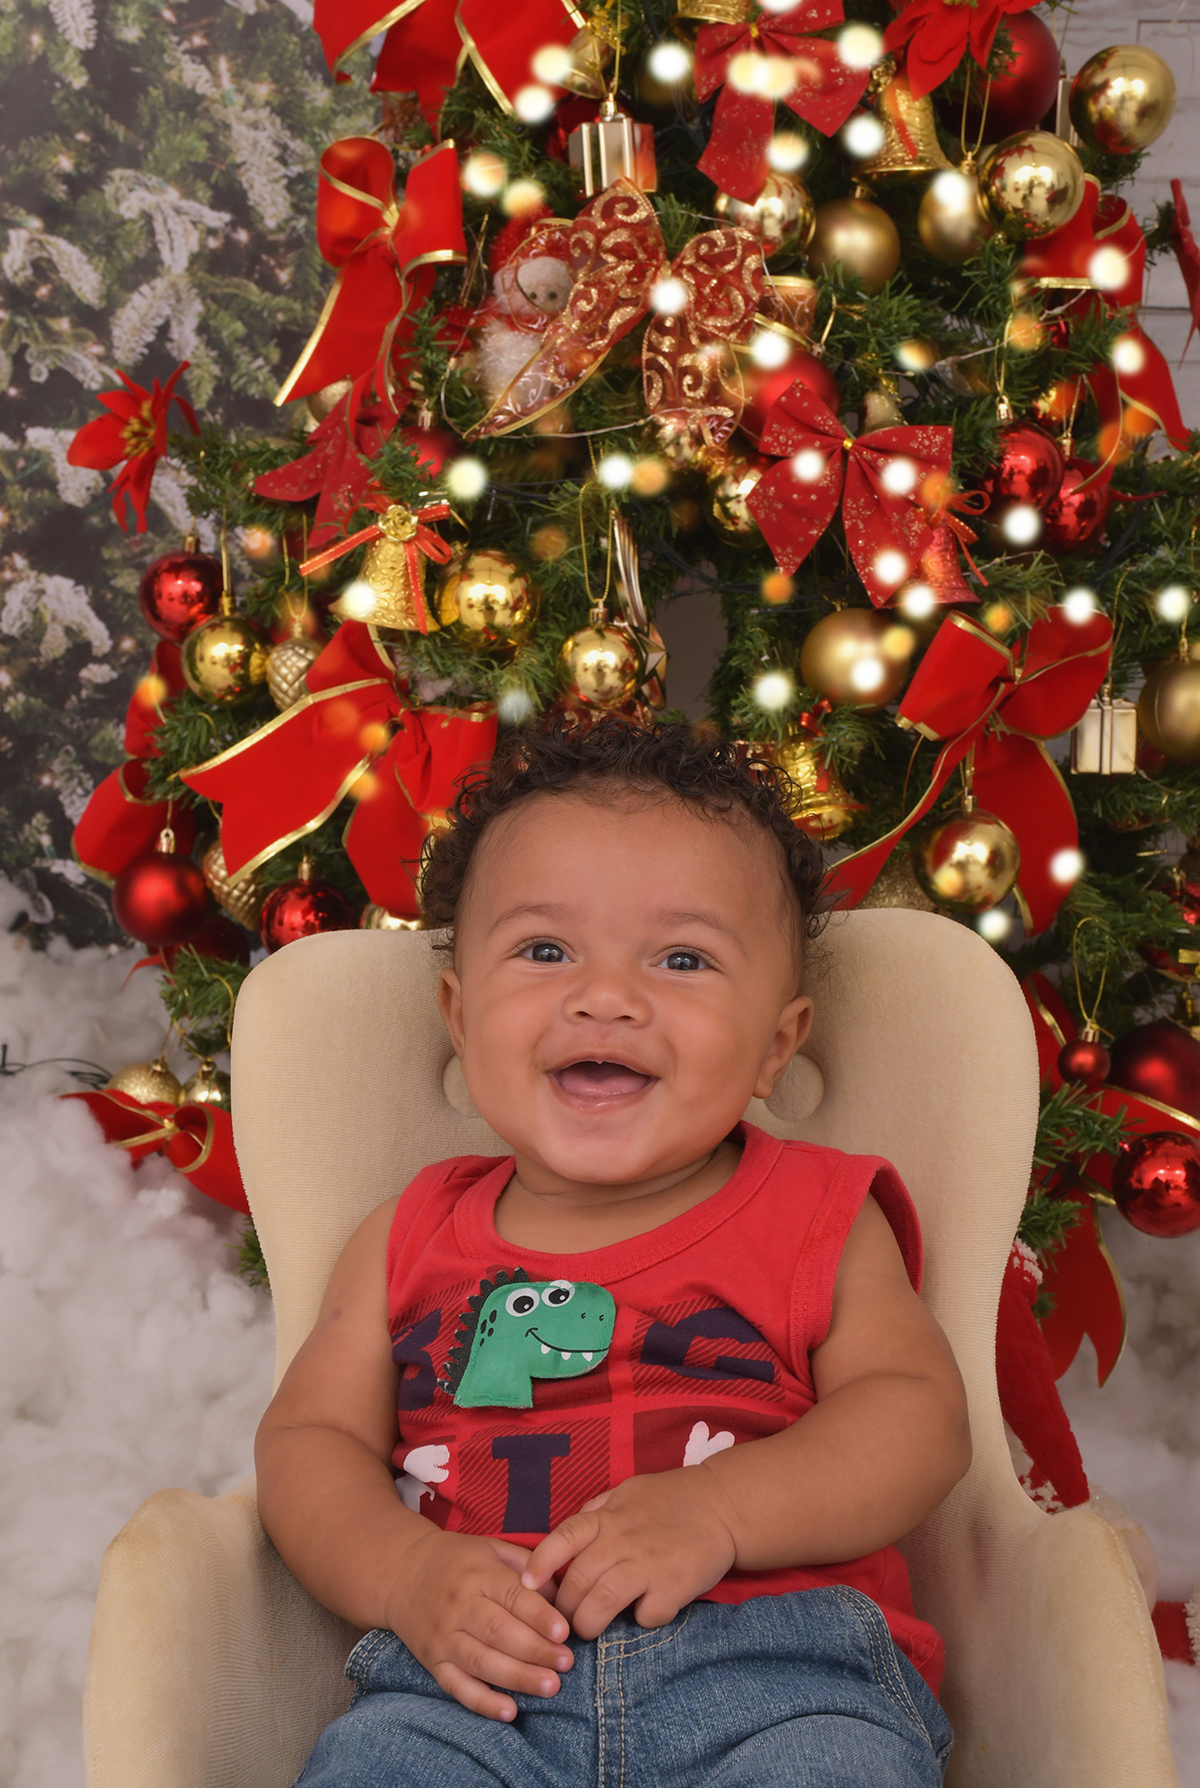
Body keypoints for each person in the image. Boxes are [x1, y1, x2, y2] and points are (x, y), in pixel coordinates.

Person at [256, 719, 971, 1787]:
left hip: (784, 1678)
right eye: (545, 950)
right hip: (473, 1696)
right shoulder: (408, 1235)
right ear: (460, 1017)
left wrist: (720, 1509)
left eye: (683, 959)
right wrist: (406, 1572)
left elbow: (917, 1417)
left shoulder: (817, 1212)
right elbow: (309, 1440)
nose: (606, 997)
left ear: (777, 1045)